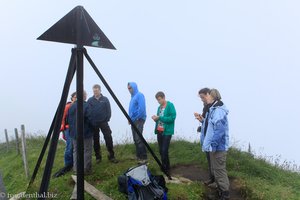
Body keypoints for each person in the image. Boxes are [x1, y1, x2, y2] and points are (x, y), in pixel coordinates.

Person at [197, 89, 230, 200]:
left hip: (218, 147)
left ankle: (225, 195)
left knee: (220, 170)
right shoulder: (213, 109)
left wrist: (213, 146)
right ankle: (221, 192)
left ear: (213, 97)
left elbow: (219, 130)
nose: (206, 98)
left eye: (208, 96)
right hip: (215, 146)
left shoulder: (218, 110)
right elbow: (210, 126)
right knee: (216, 169)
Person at [87, 84, 117, 163]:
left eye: (96, 91)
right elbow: (88, 112)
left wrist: (107, 119)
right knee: (96, 140)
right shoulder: (90, 100)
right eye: (94, 91)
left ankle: (111, 156)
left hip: (104, 122)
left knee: (108, 138)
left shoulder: (105, 99)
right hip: (94, 124)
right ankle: (98, 157)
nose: (95, 92)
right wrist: (91, 121)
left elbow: (109, 110)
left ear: (100, 90)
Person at [68, 91, 93, 174]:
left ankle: (76, 169)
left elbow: (69, 120)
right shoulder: (86, 105)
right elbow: (90, 119)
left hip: (74, 133)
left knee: (76, 150)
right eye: (85, 95)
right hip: (85, 133)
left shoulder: (72, 106)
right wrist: (93, 127)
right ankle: (86, 169)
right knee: (87, 149)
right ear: (84, 96)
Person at [151, 91, 176, 174]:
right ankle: (164, 166)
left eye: (159, 99)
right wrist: (156, 119)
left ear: (164, 97)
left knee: (164, 150)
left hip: (167, 131)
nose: (159, 101)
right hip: (159, 130)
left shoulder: (170, 105)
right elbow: (159, 119)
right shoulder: (159, 107)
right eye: (157, 100)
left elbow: (172, 118)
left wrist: (160, 118)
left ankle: (167, 168)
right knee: (161, 150)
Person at [194, 88, 215, 185]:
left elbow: (212, 123)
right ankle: (212, 178)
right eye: (200, 97)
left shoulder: (213, 107)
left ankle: (215, 180)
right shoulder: (205, 107)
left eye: (202, 97)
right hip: (206, 135)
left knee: (213, 160)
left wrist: (203, 120)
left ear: (208, 95)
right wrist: (201, 119)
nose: (201, 99)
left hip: (211, 137)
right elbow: (205, 121)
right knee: (209, 159)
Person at [53, 92, 76, 178]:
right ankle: (68, 165)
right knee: (69, 146)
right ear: (72, 98)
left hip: (75, 128)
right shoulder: (68, 106)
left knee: (74, 146)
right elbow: (62, 118)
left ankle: (73, 164)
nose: (76, 98)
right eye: (75, 97)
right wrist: (62, 129)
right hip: (68, 128)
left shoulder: (78, 106)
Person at [128, 82, 147, 164]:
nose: (129, 90)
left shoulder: (139, 95)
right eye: (128, 88)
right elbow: (132, 110)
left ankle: (144, 158)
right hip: (133, 120)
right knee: (135, 139)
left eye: (130, 88)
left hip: (139, 119)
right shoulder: (132, 97)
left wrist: (135, 117)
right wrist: (130, 119)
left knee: (138, 138)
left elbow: (142, 109)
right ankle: (139, 156)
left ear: (134, 87)